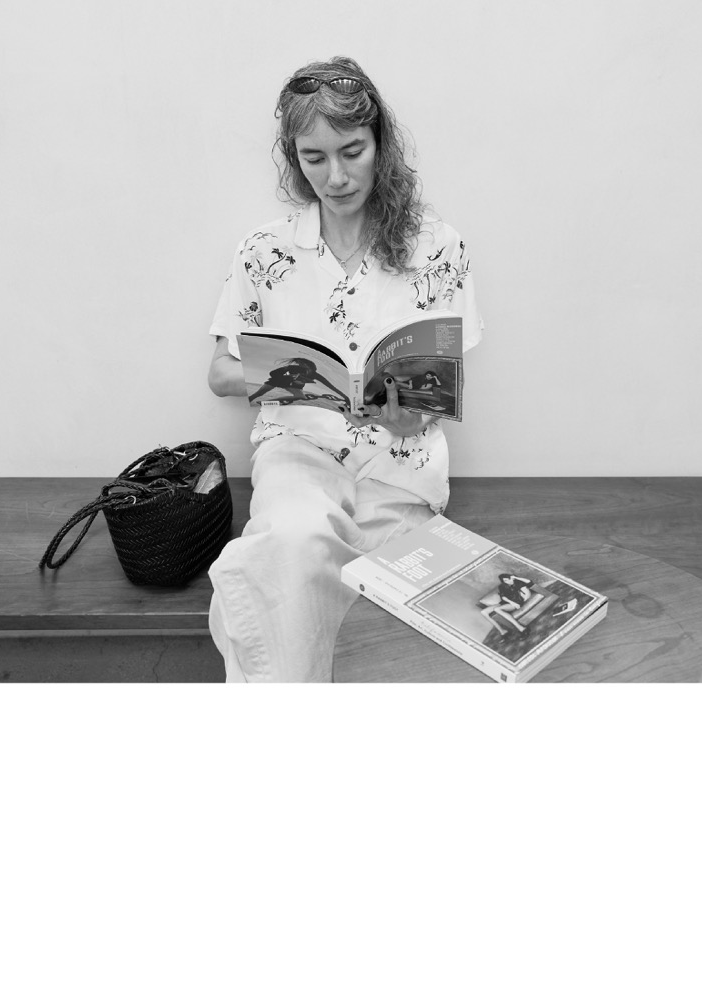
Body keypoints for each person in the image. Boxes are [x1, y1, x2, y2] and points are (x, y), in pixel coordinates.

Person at [206, 56, 483, 681]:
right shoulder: (264, 250)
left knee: (373, 583)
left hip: (398, 466)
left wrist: (410, 414)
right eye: (314, 158)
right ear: (293, 158)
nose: (335, 176)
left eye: (352, 151)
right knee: (294, 546)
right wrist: (293, 377)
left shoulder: (438, 247)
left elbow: (443, 381)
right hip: (299, 451)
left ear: (379, 143)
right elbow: (220, 372)